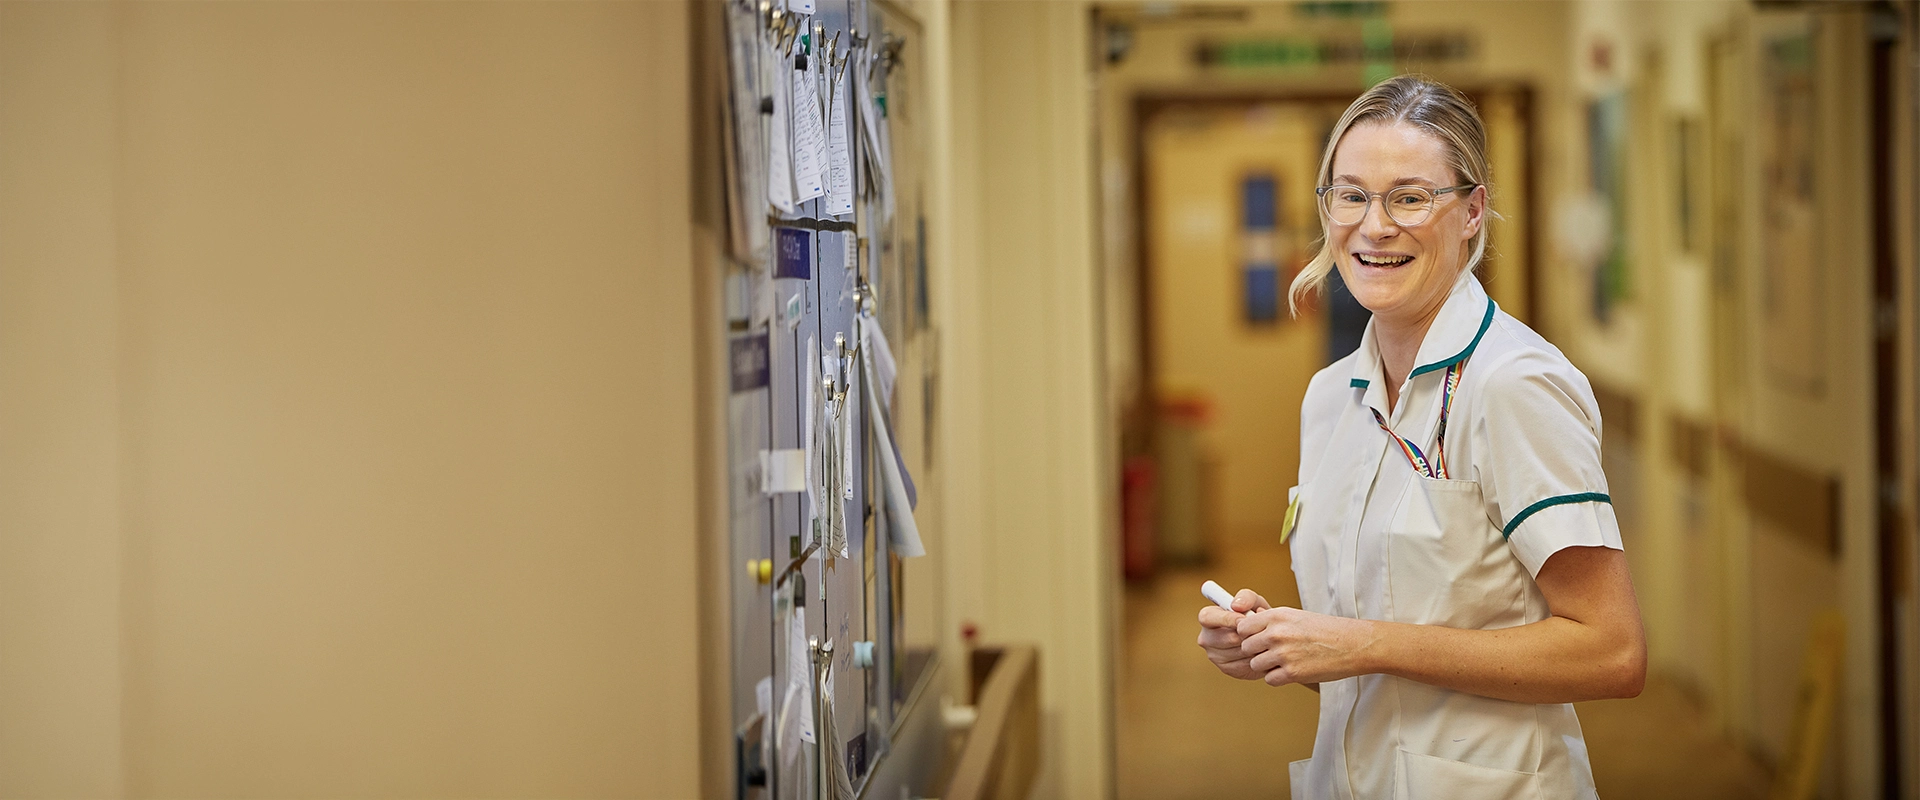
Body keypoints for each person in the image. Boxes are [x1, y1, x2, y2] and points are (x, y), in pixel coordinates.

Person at [1196, 75, 1646, 800]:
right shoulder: (1329, 399)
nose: (1374, 226)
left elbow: (1613, 652)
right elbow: (1373, 653)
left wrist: (1361, 642)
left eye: (1409, 197)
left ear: (1471, 212)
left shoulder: (1514, 384)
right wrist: (1284, 643)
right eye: (1350, 195)